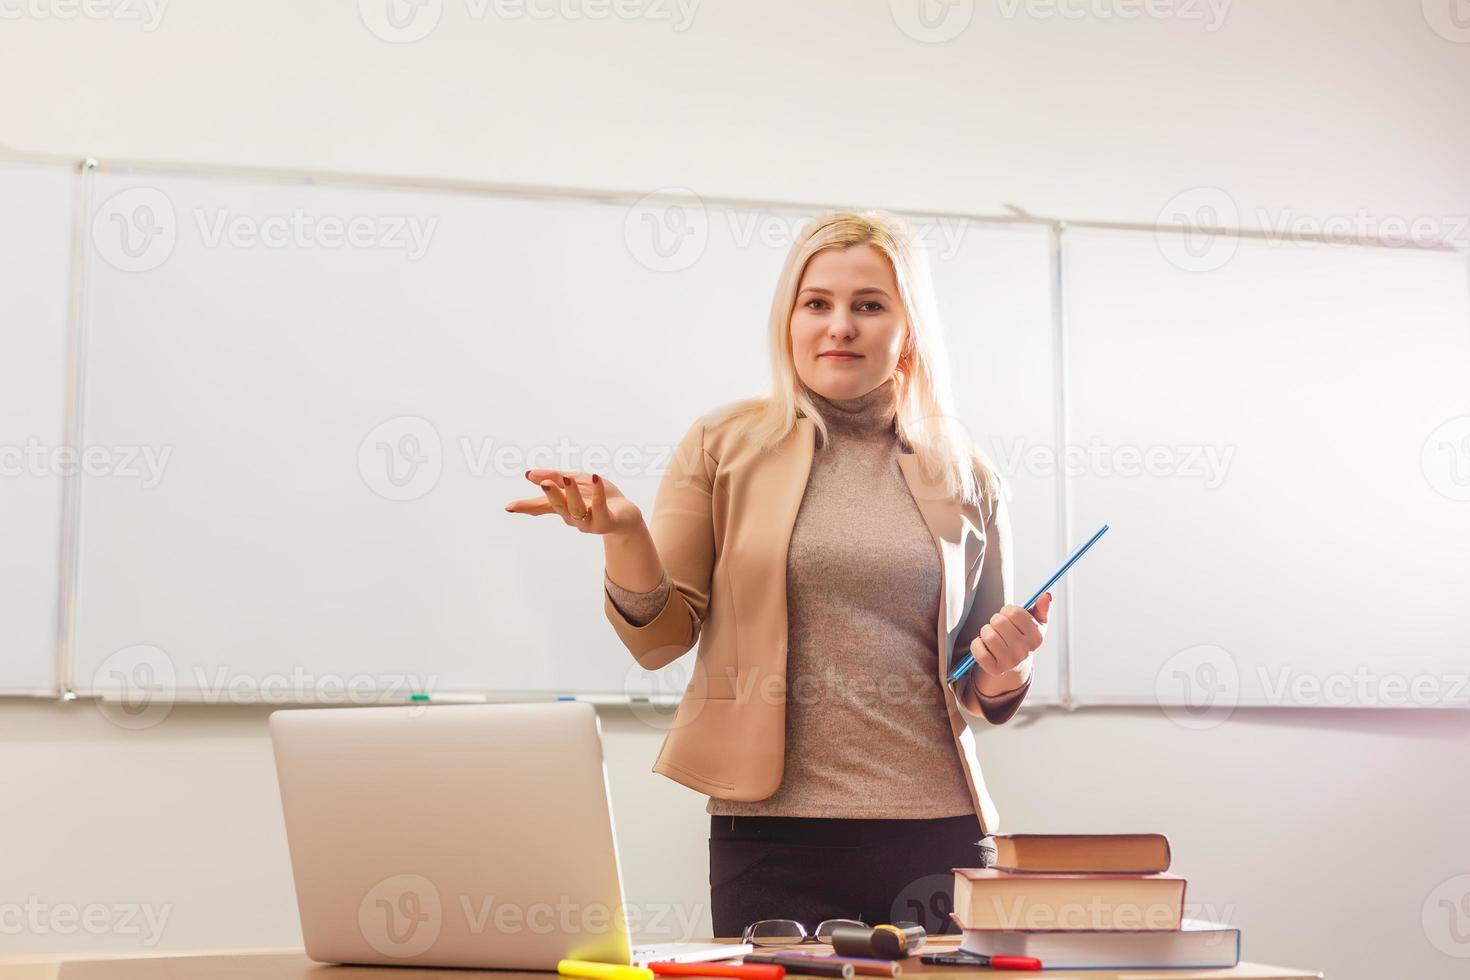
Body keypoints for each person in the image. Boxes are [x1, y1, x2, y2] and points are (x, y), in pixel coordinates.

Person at [504, 210, 1051, 939]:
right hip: (770, 835)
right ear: (788, 319)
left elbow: (979, 685)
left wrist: (1009, 668)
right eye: (817, 303)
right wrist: (625, 534)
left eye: (869, 306)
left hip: (936, 833)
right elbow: (660, 639)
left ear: (908, 328)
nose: (840, 327)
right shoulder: (724, 444)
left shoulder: (966, 472)